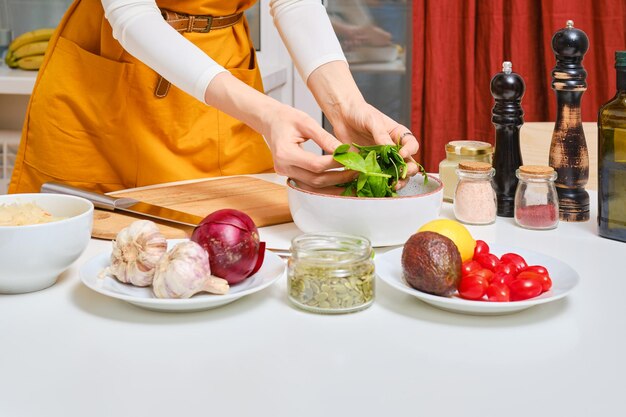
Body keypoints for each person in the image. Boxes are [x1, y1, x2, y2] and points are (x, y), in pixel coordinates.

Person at [8, 0, 419, 195]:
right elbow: (131, 14)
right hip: (106, 80)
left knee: (232, 242)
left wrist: (345, 105)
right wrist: (264, 112)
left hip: (222, 70)